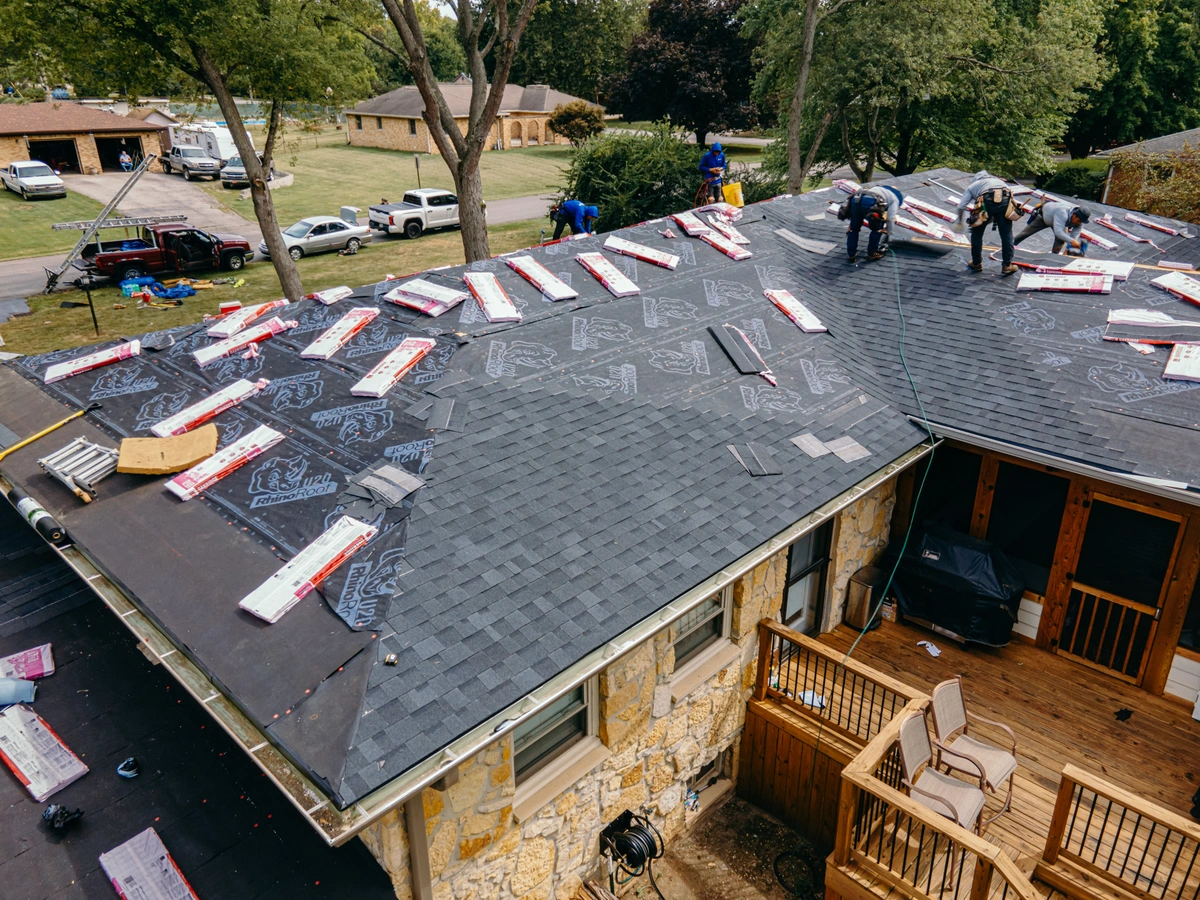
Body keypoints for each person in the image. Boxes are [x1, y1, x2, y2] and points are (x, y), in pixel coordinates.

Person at [955, 171, 1017, 275]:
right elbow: (1002, 204)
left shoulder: (973, 186)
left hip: (985, 202)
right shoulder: (999, 182)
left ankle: (976, 263)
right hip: (1005, 199)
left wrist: (960, 222)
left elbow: (961, 207)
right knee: (1006, 234)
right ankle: (1007, 266)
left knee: (977, 234)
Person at [841, 184, 903, 262]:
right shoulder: (895, 199)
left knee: (854, 229)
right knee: (877, 228)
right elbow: (890, 218)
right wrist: (889, 233)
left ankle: (851, 254)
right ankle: (872, 252)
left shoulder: (878, 189)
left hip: (856, 199)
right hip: (871, 203)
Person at [1014, 199, 1091, 255]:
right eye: (1078, 221)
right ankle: (1011, 245)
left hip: (1060, 223)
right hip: (1044, 217)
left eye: (1081, 222)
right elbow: (1058, 232)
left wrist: (1068, 249)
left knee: (1061, 240)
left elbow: (1074, 236)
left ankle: (1054, 256)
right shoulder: (1063, 213)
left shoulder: (1080, 222)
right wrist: (1072, 241)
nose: (1079, 223)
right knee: (1025, 233)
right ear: (1074, 215)